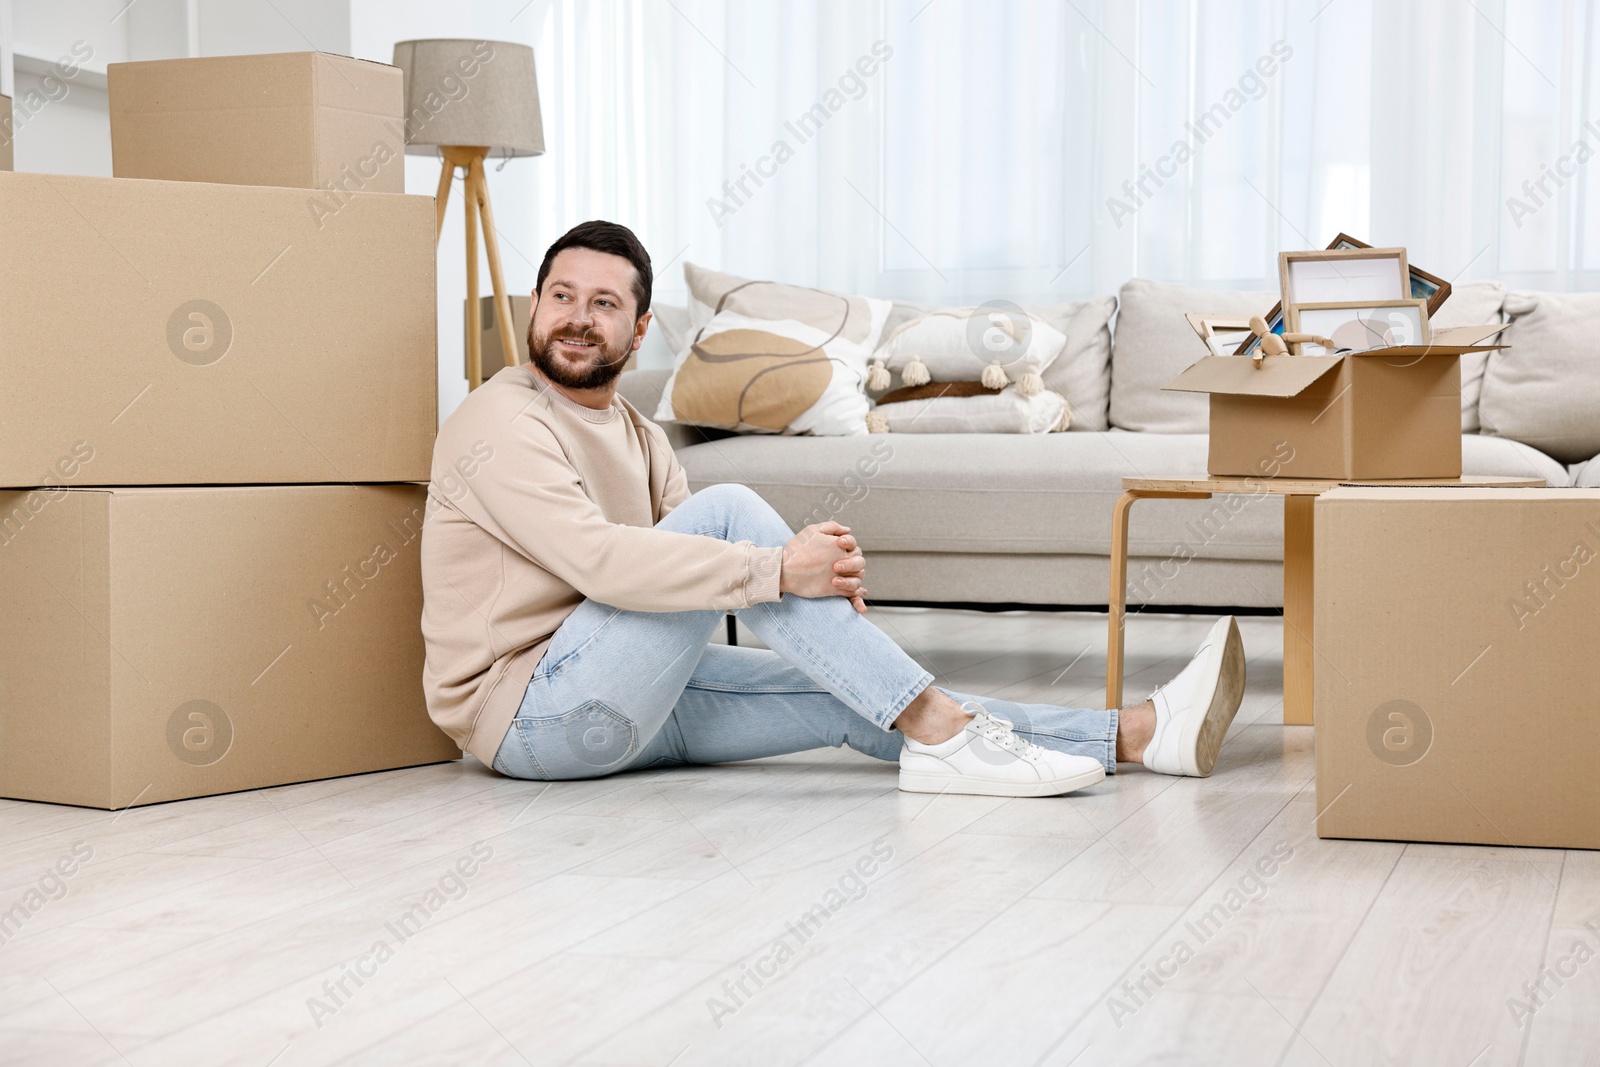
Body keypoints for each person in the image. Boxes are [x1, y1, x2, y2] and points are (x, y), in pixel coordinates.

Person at [419, 221, 1246, 798]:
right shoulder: (501, 419)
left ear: (638, 333)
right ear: (534, 309)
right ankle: (943, 730)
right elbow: (602, 562)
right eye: (561, 295)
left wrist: (809, 596)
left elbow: (684, 572)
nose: (576, 316)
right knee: (736, 507)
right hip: (535, 715)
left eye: (603, 303)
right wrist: (784, 568)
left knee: (849, 689)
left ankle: (1135, 736)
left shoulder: (635, 430)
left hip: (632, 695)